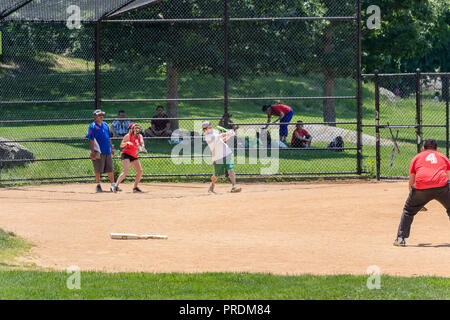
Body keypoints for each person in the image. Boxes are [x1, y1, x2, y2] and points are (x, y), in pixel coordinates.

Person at [394, 138, 450, 247]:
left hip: (421, 188)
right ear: (437, 149)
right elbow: (448, 178)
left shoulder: (417, 157)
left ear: (423, 148)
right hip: (441, 186)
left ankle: (401, 238)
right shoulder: (443, 157)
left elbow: (411, 182)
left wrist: (414, 198)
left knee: (408, 211)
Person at [202, 121, 241, 194]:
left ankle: (234, 186)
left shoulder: (215, 132)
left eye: (211, 126)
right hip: (218, 157)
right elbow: (219, 136)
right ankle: (211, 187)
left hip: (227, 153)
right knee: (216, 176)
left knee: (231, 170)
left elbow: (223, 140)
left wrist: (229, 135)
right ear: (205, 130)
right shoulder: (207, 137)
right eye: (209, 127)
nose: (211, 127)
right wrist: (227, 133)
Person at [87, 109, 116, 193]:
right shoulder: (92, 126)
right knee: (98, 169)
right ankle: (98, 185)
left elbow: (108, 137)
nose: (101, 116)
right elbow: (91, 140)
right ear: (95, 117)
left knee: (110, 168)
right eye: (100, 115)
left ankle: (113, 185)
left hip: (107, 150)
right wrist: (93, 152)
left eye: (102, 115)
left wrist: (111, 148)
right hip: (98, 150)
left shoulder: (105, 125)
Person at [115, 123, 146, 193]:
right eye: (135, 128)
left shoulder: (140, 136)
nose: (137, 129)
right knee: (126, 170)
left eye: (138, 128)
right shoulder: (128, 136)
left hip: (134, 155)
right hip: (126, 154)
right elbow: (121, 145)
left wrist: (142, 147)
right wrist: (127, 142)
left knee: (140, 171)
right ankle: (115, 186)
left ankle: (135, 187)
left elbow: (142, 143)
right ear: (131, 129)